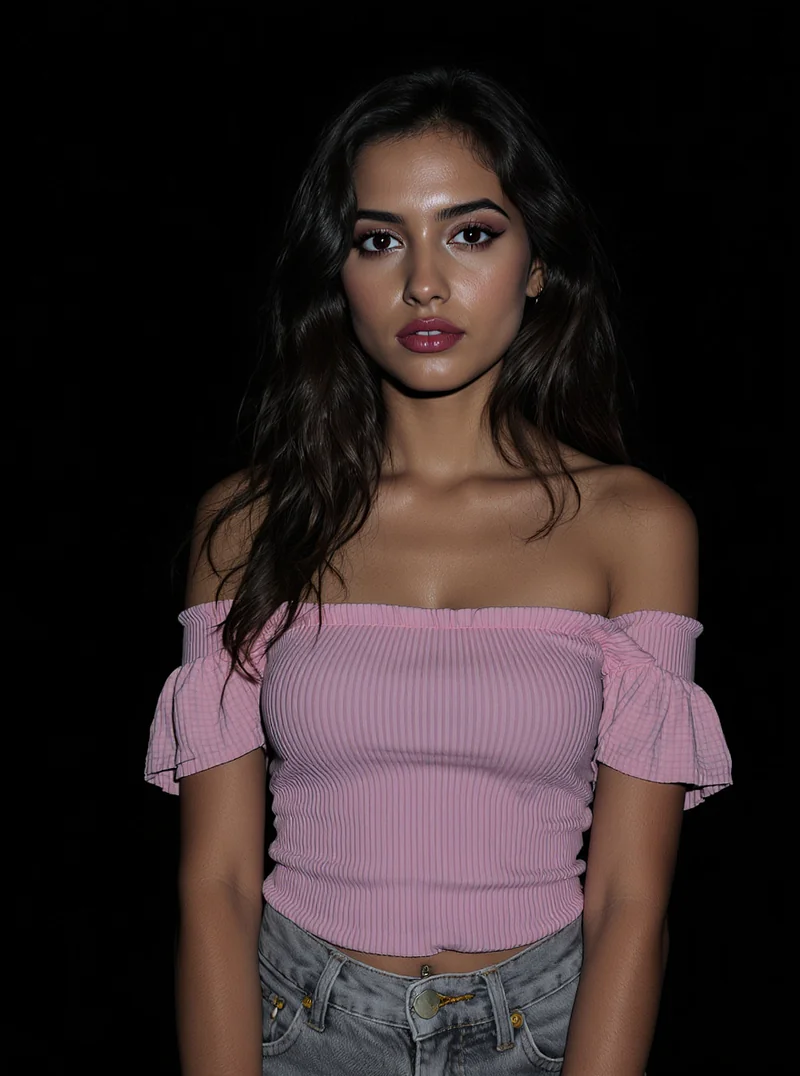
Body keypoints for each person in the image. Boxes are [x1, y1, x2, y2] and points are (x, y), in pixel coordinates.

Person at [144, 65, 733, 1076]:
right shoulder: (244, 523)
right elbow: (218, 884)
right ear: (339, 271)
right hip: (292, 1022)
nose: (424, 281)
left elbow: (631, 900)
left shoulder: (635, 526)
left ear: (537, 262)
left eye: (470, 232)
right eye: (380, 240)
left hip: (543, 1029)